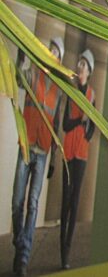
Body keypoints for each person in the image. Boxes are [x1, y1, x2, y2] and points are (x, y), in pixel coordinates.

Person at [11, 37, 65, 276]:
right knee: (17, 202)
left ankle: (23, 256)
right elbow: (16, 79)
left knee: (32, 204)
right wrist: (21, 57)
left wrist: (54, 159)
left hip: (43, 152)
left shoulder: (59, 91)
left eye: (56, 53)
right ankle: (20, 242)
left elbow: (57, 125)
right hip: (26, 147)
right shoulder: (32, 75)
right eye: (50, 49)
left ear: (59, 60)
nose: (51, 54)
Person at [60, 49, 96, 270]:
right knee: (65, 201)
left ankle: (68, 248)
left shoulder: (92, 95)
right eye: (79, 63)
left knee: (75, 201)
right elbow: (65, 125)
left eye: (84, 65)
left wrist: (86, 127)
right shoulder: (70, 91)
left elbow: (92, 128)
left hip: (81, 154)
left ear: (90, 71)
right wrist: (79, 121)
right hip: (67, 153)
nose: (80, 67)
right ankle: (61, 249)